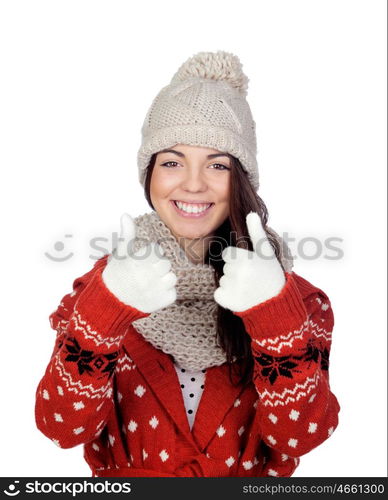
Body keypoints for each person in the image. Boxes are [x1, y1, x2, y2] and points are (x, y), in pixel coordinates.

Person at [35, 50, 340, 477]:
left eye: (217, 164)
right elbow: (62, 429)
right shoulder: (99, 289)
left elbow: (301, 436)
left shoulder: (297, 301)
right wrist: (107, 311)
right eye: (172, 162)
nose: (193, 183)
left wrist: (272, 313)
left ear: (242, 178)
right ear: (150, 174)